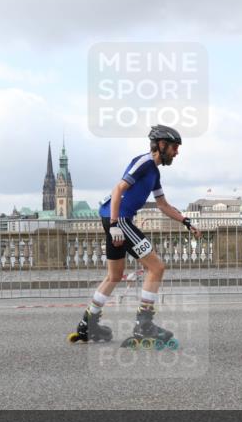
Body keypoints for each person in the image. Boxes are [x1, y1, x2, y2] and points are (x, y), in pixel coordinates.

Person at [68, 125, 202, 344]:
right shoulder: (145, 162)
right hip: (118, 219)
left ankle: (87, 325)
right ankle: (144, 325)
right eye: (175, 148)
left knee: (114, 275)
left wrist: (185, 221)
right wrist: (114, 225)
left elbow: (162, 204)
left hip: (115, 218)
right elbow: (118, 189)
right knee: (156, 267)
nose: (177, 153)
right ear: (161, 145)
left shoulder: (154, 173)